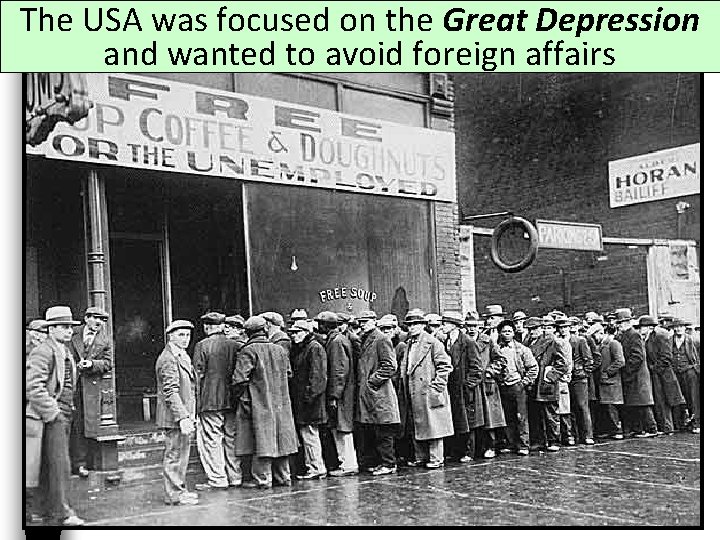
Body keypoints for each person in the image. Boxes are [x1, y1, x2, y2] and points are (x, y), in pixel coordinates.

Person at [26, 306, 86, 525]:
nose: (69, 331)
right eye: (63, 327)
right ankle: (62, 513)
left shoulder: (63, 350)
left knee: (52, 465)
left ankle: (47, 511)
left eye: (70, 327)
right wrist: (53, 413)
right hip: (49, 417)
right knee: (59, 466)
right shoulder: (44, 351)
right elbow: (33, 387)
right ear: (51, 329)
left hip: (64, 413)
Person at [232, 316, 298, 488]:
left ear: (248, 333)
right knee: (281, 440)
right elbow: (289, 374)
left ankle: (263, 479)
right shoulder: (279, 350)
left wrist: (242, 398)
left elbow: (239, 380)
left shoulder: (248, 351)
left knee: (261, 440)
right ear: (265, 330)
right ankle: (284, 477)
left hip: (258, 402)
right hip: (280, 403)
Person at [193, 312, 243, 490]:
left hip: (210, 400)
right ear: (222, 326)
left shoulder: (202, 345)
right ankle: (235, 477)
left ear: (207, 327)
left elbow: (198, 374)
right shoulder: (236, 345)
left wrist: (195, 403)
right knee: (231, 438)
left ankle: (218, 479)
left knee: (212, 440)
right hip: (232, 400)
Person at [400, 309, 454, 468]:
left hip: (428, 391)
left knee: (434, 426)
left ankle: (436, 458)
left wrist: (436, 387)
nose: (412, 327)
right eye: (410, 325)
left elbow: (445, 366)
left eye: (415, 324)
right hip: (414, 389)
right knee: (417, 424)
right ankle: (421, 456)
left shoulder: (433, 343)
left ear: (423, 325)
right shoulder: (409, 344)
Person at [156, 319, 199, 506]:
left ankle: (179, 490)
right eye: (181, 335)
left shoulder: (181, 355)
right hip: (174, 417)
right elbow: (170, 391)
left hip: (183, 415)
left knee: (181, 455)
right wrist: (182, 417)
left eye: (188, 335)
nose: (185, 338)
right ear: (171, 336)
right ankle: (174, 494)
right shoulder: (169, 358)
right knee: (174, 455)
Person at [354, 310, 401, 476]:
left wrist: (372, 381)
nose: (362, 325)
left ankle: (389, 463)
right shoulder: (365, 338)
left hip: (379, 393)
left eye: (365, 321)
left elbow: (390, 365)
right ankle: (381, 462)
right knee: (375, 429)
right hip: (371, 393)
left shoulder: (381, 339)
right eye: (360, 322)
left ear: (374, 321)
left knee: (383, 430)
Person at [68, 306, 112, 478]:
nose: (99, 322)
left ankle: (83, 463)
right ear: (86, 318)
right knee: (70, 424)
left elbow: (108, 363)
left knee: (86, 425)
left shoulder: (104, 340)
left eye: (102, 319)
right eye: (96, 318)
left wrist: (92, 364)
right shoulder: (72, 333)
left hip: (90, 388)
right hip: (70, 384)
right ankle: (71, 464)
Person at [317, 311, 358, 476]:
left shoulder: (336, 342)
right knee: (340, 428)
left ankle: (348, 464)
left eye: (320, 323)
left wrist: (334, 396)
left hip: (341, 394)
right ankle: (346, 463)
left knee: (343, 428)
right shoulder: (338, 339)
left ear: (325, 325)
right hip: (342, 392)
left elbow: (339, 371)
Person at [287, 318, 328, 480]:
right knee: (308, 435)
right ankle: (314, 466)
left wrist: (308, 397)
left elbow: (318, 377)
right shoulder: (306, 347)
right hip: (306, 401)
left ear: (306, 332)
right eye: (292, 333)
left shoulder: (313, 348)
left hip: (310, 402)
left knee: (310, 435)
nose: (294, 335)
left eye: (297, 332)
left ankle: (316, 467)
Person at [442, 311, 482, 463]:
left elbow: (477, 369)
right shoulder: (447, 341)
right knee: (457, 419)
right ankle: (457, 451)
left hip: (464, 390)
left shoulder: (467, 342)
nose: (443, 326)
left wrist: (467, 385)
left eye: (445, 323)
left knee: (468, 422)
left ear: (454, 325)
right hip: (452, 388)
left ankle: (468, 452)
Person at [638, 315, 686, 434]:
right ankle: (665, 427)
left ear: (649, 327)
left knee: (664, 401)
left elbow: (666, 357)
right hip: (657, 374)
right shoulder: (648, 337)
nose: (640, 329)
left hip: (663, 375)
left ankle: (667, 428)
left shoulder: (659, 336)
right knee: (659, 401)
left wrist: (654, 368)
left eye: (642, 327)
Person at [528, 316, 570, 451]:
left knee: (550, 415)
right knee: (536, 415)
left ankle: (554, 441)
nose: (532, 332)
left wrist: (550, 377)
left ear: (541, 329)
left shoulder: (552, 343)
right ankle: (539, 441)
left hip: (546, 385)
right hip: (534, 385)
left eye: (535, 329)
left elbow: (562, 364)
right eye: (530, 329)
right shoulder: (527, 343)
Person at [615, 308, 658, 438]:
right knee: (635, 403)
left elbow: (638, 356)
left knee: (643, 403)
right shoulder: (624, 335)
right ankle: (639, 429)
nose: (619, 325)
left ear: (627, 322)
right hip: (633, 375)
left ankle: (651, 428)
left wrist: (627, 371)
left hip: (637, 375)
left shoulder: (634, 335)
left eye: (620, 323)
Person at [496, 318, 537, 456]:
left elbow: (533, 368)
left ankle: (523, 444)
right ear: (500, 333)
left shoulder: (522, 349)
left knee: (520, 416)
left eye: (509, 331)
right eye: (504, 331)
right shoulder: (496, 349)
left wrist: (524, 382)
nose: (507, 333)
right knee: (507, 416)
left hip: (517, 386)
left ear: (514, 333)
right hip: (503, 386)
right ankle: (510, 443)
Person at [378, 314, 412, 465]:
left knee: (400, 424)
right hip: (387, 389)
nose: (387, 331)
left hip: (398, 390)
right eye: (383, 329)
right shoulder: (382, 344)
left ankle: (403, 454)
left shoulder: (400, 346)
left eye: (389, 328)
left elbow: (400, 370)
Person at [587, 322, 625, 439]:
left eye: (595, 336)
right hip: (604, 382)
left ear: (600, 333)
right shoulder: (602, 345)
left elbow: (620, 361)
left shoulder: (613, 343)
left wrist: (607, 372)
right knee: (606, 407)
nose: (594, 339)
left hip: (611, 382)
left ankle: (617, 430)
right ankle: (610, 430)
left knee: (612, 407)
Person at [669, 318, 701, 433]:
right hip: (676, 373)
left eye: (680, 327)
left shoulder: (693, 340)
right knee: (679, 398)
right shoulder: (670, 340)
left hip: (689, 372)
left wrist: (696, 368)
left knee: (693, 398)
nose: (678, 329)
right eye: (676, 327)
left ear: (684, 328)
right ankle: (682, 422)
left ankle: (697, 423)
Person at [568, 317, 596, 445]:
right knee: (571, 408)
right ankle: (576, 435)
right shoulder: (562, 341)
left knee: (582, 406)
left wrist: (584, 373)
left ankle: (588, 435)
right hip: (569, 378)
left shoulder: (581, 341)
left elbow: (589, 360)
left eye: (572, 326)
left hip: (579, 378)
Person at [554, 317, 575, 446]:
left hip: (562, 378)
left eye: (565, 327)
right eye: (560, 328)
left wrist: (567, 374)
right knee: (558, 408)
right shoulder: (556, 341)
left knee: (564, 408)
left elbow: (568, 362)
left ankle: (568, 434)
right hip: (555, 378)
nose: (562, 330)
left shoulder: (564, 343)